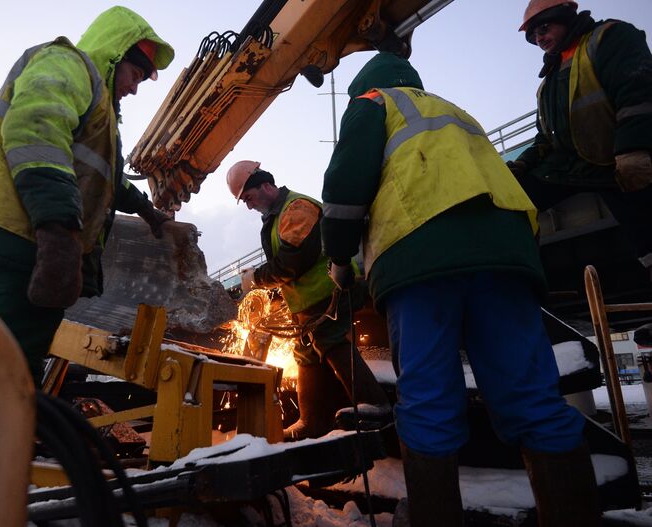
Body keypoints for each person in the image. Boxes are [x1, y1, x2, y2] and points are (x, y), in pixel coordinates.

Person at [0, 7, 174, 526]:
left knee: (0, 397)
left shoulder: (98, 105)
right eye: (138, 74)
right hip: (16, 248)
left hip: (22, 250)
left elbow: (104, 175)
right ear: (117, 56)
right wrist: (57, 228)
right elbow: (35, 125)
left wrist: (148, 211)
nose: (137, 88)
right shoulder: (68, 64)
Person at [320, 52, 601, 526]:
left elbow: (346, 191)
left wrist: (340, 259)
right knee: (533, 398)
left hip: (421, 256)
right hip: (506, 257)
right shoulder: (455, 112)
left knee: (428, 400)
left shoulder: (371, 104)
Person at [225, 161, 390, 440]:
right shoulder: (277, 219)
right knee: (304, 354)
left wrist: (256, 278)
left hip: (331, 290)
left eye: (249, 198)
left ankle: (376, 403)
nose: (249, 206)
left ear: (265, 185)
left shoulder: (297, 208)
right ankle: (311, 422)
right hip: (306, 303)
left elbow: (292, 262)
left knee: (329, 339)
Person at [509, 0, 652, 276]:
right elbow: (545, 138)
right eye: (533, 35)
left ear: (563, 17)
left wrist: (634, 150)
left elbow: (638, 91)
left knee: (644, 228)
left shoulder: (608, 37)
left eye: (544, 28)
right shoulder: (547, 84)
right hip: (572, 166)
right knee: (515, 201)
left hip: (616, 158)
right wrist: (521, 166)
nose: (539, 38)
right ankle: (525, 278)